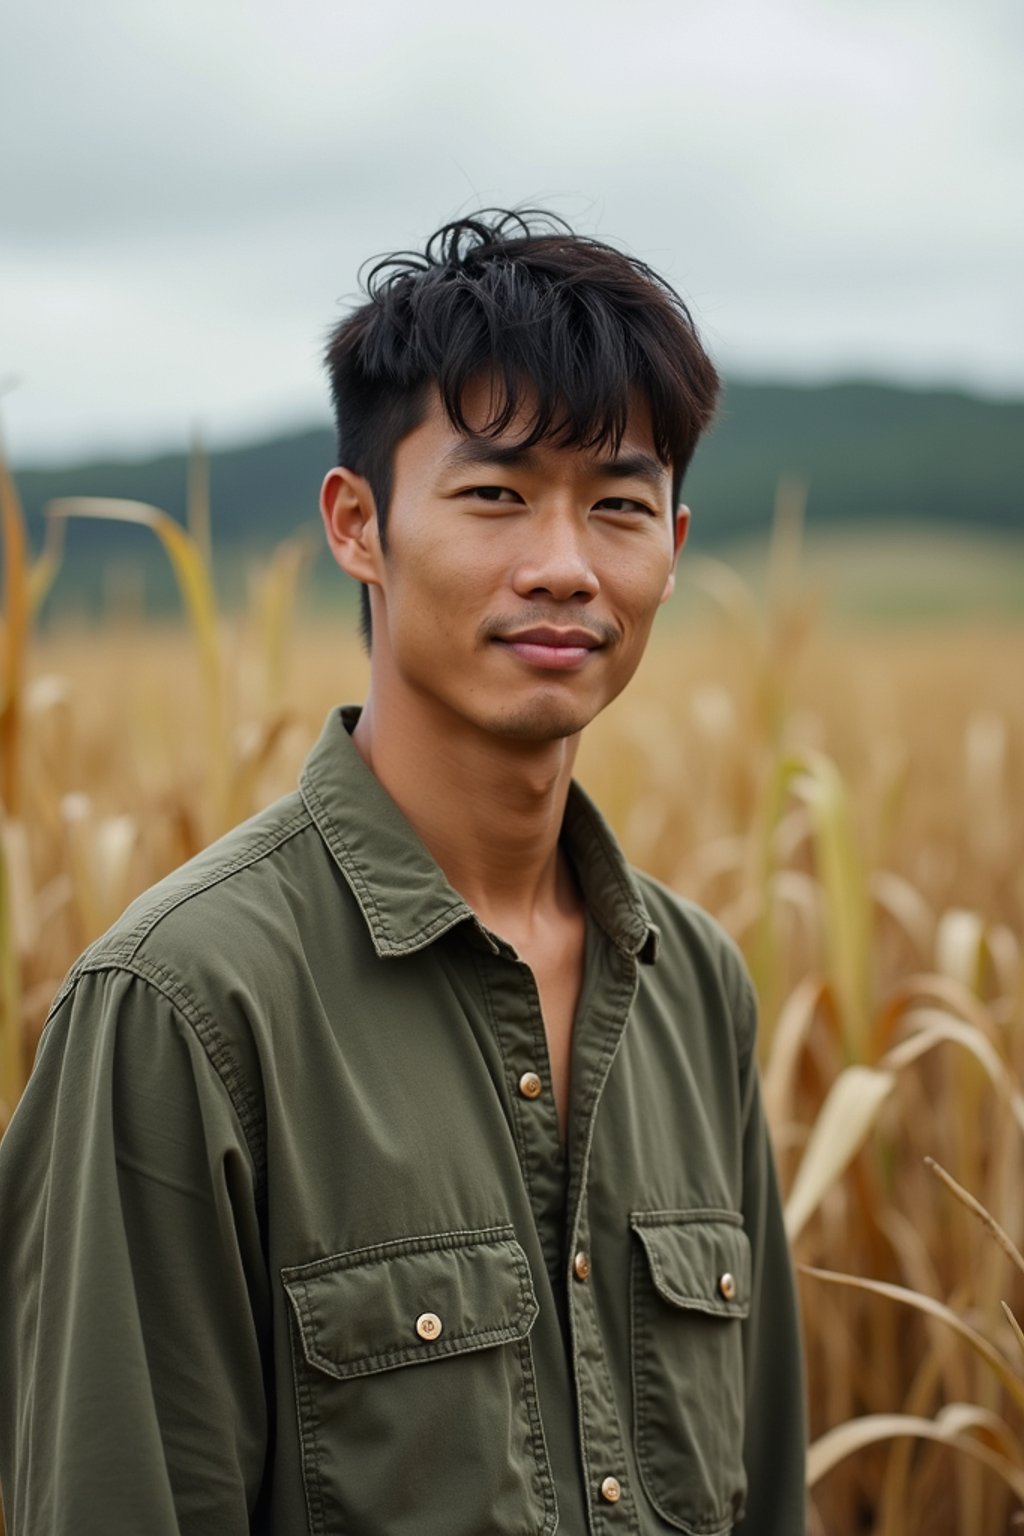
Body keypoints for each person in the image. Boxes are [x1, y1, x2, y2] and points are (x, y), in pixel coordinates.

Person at [0, 209, 805, 1535]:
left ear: (671, 542)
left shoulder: (689, 984)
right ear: (357, 524)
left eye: (618, 506)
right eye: (495, 495)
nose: (563, 567)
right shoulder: (187, 1001)